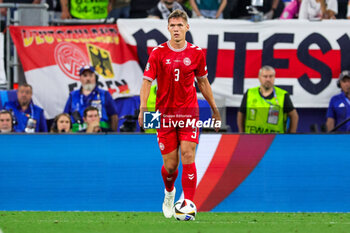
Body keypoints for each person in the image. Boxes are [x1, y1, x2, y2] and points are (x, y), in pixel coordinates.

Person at [138, 9, 221, 218]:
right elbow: (147, 81)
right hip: (163, 115)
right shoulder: (158, 53)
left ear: (187, 27)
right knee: (171, 166)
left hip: (189, 113)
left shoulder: (196, 53)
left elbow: (203, 82)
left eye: (180, 25)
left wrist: (214, 108)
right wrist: (143, 108)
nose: (176, 29)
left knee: (188, 154)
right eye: (172, 25)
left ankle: (189, 205)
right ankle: (169, 193)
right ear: (168, 28)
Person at [237, 66, 299, 134]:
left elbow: (294, 116)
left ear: (274, 77)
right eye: (265, 76)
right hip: (251, 138)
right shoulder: (250, 93)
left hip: (275, 139)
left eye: (271, 76)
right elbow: (241, 114)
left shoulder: (283, 95)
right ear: (259, 77)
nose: (268, 79)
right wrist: (241, 134)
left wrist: (291, 135)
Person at [64, 65, 119, 132]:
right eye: (85, 75)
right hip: (78, 134)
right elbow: (65, 116)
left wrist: (112, 136)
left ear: (95, 77)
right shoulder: (73, 95)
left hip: (100, 132)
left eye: (90, 75)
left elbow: (114, 116)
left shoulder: (104, 94)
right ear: (80, 78)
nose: (88, 78)